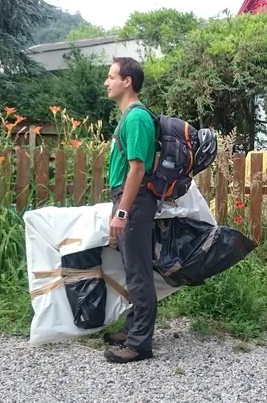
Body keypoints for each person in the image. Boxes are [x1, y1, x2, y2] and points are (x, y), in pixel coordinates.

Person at [101, 57, 158, 363]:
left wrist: (122, 212)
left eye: (111, 77)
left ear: (127, 82)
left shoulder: (136, 118)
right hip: (129, 199)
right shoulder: (127, 117)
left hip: (133, 201)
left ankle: (139, 345)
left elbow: (137, 169)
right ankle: (134, 330)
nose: (106, 82)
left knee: (139, 273)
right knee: (134, 269)